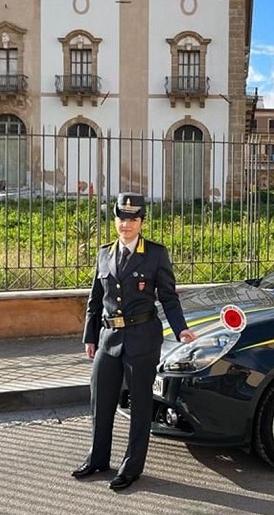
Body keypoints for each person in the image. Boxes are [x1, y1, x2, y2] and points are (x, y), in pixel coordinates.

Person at [72, 192, 197, 491]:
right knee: (100, 401)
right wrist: (90, 337)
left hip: (142, 339)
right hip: (109, 339)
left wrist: (181, 330)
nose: (125, 225)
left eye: (132, 219)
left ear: (141, 222)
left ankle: (131, 467)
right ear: (115, 220)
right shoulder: (104, 253)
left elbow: (169, 297)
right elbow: (95, 300)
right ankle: (97, 458)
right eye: (121, 218)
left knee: (140, 406)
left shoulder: (155, 254)